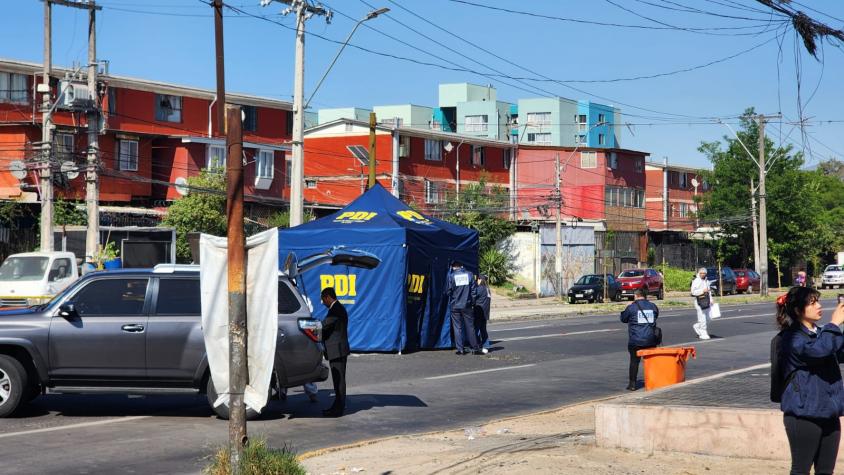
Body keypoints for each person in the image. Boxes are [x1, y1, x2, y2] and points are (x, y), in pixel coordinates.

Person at [775, 286, 844, 475]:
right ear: (798, 310)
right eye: (812, 303)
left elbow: (837, 349)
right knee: (801, 470)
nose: (819, 306)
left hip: (829, 412)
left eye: (818, 301)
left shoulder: (821, 333)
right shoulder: (792, 338)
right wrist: (834, 325)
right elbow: (818, 351)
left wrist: (836, 329)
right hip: (803, 413)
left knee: (825, 471)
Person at [620, 287, 660, 391]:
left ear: (636, 295)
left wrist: (626, 308)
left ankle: (632, 384)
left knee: (634, 361)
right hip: (651, 339)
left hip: (636, 340)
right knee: (651, 361)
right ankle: (654, 381)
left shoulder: (632, 307)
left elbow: (623, 319)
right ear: (645, 296)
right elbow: (656, 316)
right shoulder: (653, 306)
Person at [320, 287, 349, 417]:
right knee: (338, 380)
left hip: (337, 351)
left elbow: (325, 324)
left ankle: (338, 409)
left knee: (339, 380)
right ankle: (337, 407)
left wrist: (311, 326)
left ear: (328, 297)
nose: (323, 303)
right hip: (337, 350)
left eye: (323, 300)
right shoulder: (337, 308)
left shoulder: (336, 310)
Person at [446, 261, 481, 355]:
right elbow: (474, 291)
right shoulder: (469, 274)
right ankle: (475, 348)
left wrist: (454, 296)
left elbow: (448, 291)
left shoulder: (451, 276)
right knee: (470, 327)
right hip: (467, 305)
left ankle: (460, 350)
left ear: (453, 267)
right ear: (461, 266)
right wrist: (472, 302)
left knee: (457, 327)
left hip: (455, 305)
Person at [690, 267, 713, 340]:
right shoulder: (696, 281)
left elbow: (708, 291)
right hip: (700, 302)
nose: (702, 274)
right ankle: (703, 333)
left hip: (707, 301)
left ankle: (697, 326)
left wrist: (711, 299)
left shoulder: (706, 280)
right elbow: (693, 292)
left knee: (709, 318)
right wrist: (702, 291)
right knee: (702, 318)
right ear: (699, 273)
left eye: (704, 273)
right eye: (701, 273)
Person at [473, 274, 491, 354]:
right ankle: (486, 346)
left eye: (478, 279)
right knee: (483, 330)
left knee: (476, 330)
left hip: (479, 312)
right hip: (485, 312)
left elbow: (473, 297)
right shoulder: (488, 289)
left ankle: (477, 346)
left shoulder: (479, 289)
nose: (477, 281)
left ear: (480, 279)